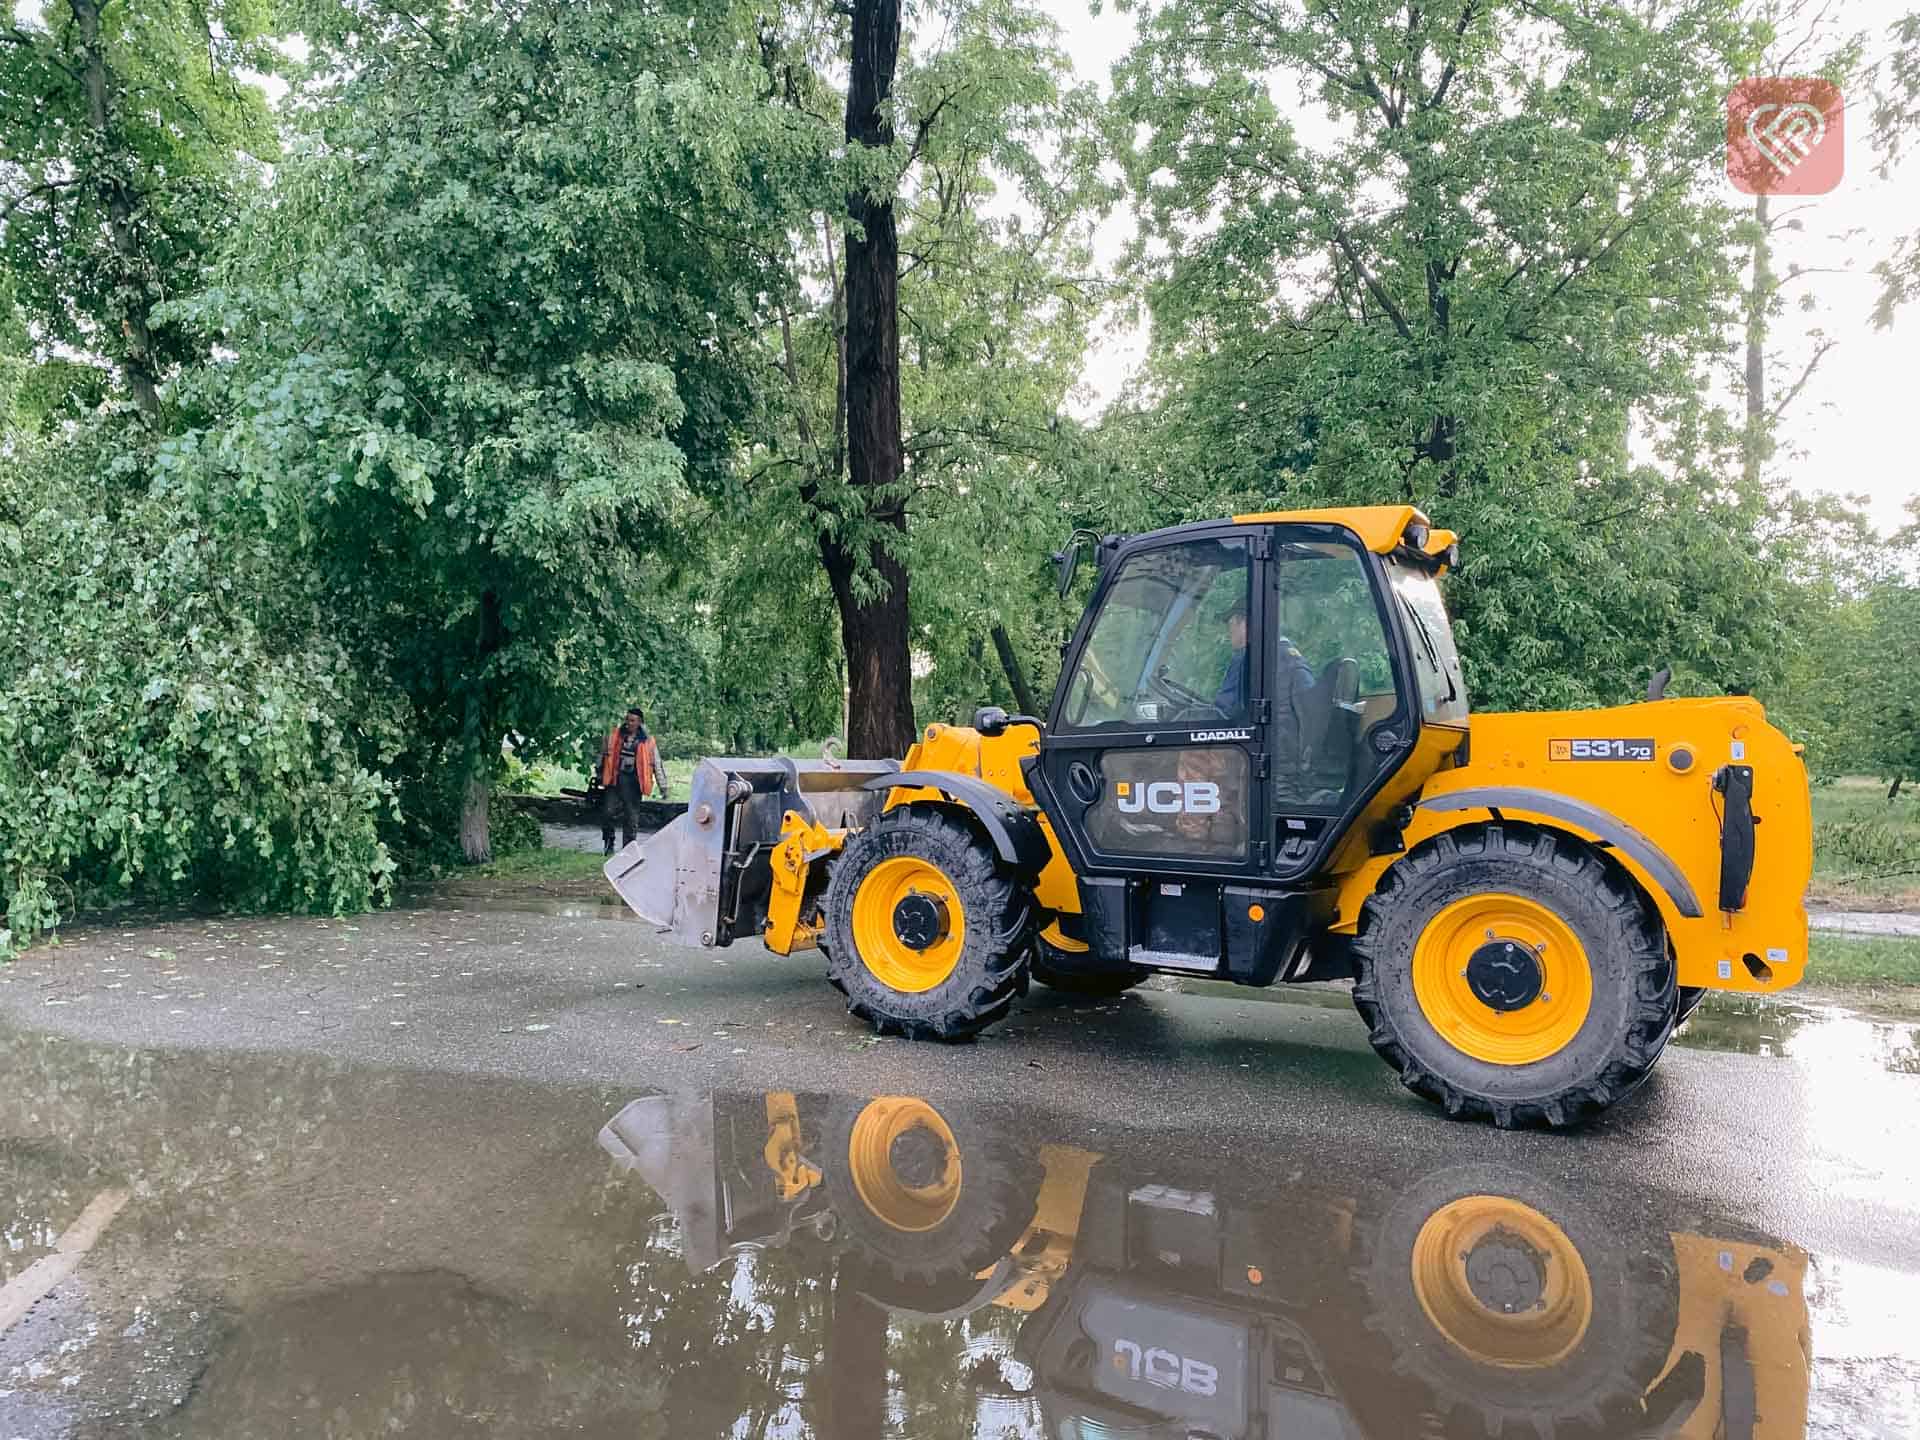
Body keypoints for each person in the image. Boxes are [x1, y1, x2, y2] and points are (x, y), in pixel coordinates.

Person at [597, 708, 666, 855]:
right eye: (627, 719)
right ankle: (609, 842)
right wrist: (598, 774)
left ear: (640, 722)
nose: (629, 723)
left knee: (631, 818)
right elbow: (603, 755)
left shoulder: (648, 742)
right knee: (607, 813)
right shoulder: (614, 736)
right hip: (614, 780)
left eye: (633, 720)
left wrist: (663, 787)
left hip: (634, 783)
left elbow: (657, 765)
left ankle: (628, 851)